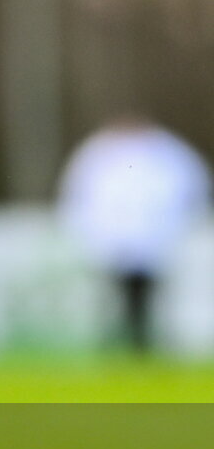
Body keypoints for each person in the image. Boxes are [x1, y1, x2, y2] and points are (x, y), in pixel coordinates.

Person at [57, 115, 211, 351]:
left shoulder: (166, 152)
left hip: (153, 241)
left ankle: (143, 345)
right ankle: (117, 346)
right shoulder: (98, 152)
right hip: (113, 242)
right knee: (115, 298)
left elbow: (191, 188)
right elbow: (78, 195)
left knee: (145, 299)